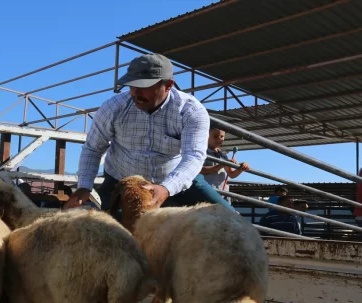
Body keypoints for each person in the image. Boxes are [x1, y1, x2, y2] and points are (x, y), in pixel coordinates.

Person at [64, 53, 235, 212]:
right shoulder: (113, 108)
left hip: (174, 178)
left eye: (144, 87)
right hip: (122, 180)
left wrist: (167, 188)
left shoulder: (190, 111)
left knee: (229, 220)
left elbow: (194, 156)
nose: (135, 93)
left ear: (168, 85)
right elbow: (93, 148)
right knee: (108, 231)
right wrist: (84, 187)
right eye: (132, 86)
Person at [201, 127, 250, 199]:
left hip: (223, 193)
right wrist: (223, 164)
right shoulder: (203, 152)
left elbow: (231, 174)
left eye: (222, 136)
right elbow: (202, 170)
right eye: (215, 136)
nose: (219, 139)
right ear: (206, 136)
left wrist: (241, 168)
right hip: (207, 192)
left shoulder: (223, 155)